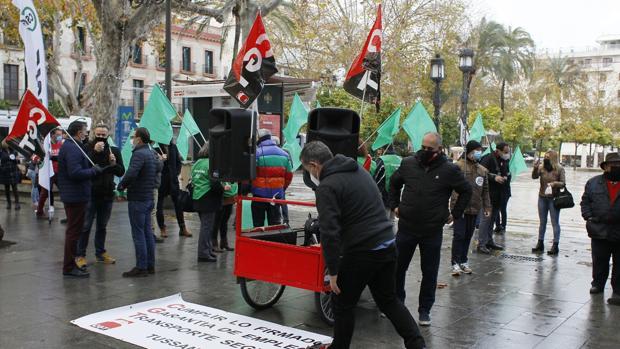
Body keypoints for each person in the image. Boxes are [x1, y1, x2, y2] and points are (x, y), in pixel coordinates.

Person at [301, 141, 426, 349]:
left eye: (307, 170)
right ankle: (417, 344)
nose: (309, 175)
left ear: (314, 165)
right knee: (389, 300)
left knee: (342, 303)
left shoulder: (327, 186)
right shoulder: (357, 169)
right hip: (386, 242)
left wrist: (332, 273)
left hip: (362, 250)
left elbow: (329, 232)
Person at [389, 132, 472, 326]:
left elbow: (466, 190)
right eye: (423, 147)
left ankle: (424, 310)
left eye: (430, 149)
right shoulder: (408, 163)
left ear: (439, 149)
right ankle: (396, 305)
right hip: (407, 227)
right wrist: (394, 205)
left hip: (432, 231)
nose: (425, 152)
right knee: (397, 268)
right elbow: (393, 184)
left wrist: (456, 213)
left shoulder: (449, 170)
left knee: (430, 272)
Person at [56, 121, 101, 278]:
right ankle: (68, 267)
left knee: (74, 231)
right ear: (78, 132)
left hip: (75, 195)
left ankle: (71, 264)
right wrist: (92, 171)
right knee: (74, 232)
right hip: (75, 196)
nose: (87, 134)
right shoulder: (73, 148)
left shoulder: (72, 146)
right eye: (85, 131)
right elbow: (75, 172)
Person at [76, 124, 125, 268]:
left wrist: (114, 163)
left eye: (104, 135)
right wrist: (94, 152)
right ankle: (80, 254)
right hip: (90, 193)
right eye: (98, 134)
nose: (101, 137)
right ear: (93, 134)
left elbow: (121, 171)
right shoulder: (87, 149)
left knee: (102, 226)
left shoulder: (114, 150)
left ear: (108, 135)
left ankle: (100, 252)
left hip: (107, 193)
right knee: (85, 226)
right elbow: (82, 167)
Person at [117, 128, 161, 277]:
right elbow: (158, 168)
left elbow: (131, 172)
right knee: (148, 232)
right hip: (148, 197)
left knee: (139, 233)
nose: (132, 139)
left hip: (138, 198)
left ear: (140, 139)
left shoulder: (139, 154)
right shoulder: (151, 153)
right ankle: (150, 265)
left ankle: (141, 267)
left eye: (133, 137)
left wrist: (121, 185)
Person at [580, 152, 620, 305]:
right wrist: (589, 217)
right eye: (613, 165)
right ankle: (597, 283)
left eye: (619, 165)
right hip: (599, 228)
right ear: (606, 167)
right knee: (599, 260)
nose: (616, 168)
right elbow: (585, 202)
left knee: (619, 263)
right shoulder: (593, 183)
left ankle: (617, 291)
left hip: (618, 229)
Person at [449, 140, 491, 276]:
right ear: (469, 151)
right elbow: (449, 188)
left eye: (480, 150)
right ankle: (455, 263)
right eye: (476, 150)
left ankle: (463, 261)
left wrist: (487, 207)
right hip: (459, 208)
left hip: (474, 208)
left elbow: (485, 191)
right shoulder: (458, 167)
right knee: (459, 235)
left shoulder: (482, 170)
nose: (478, 153)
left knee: (468, 236)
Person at [251, 129, 293, 227]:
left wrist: (252, 187)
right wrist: (281, 188)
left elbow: (250, 174)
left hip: (258, 196)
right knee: (274, 227)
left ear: (259, 138)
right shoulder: (284, 154)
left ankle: (259, 242)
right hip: (276, 197)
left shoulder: (256, 153)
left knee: (258, 226)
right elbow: (289, 176)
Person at [191, 143, 224, 262]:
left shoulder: (197, 163)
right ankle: (203, 253)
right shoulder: (212, 164)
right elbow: (215, 184)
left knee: (206, 226)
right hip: (209, 199)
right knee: (207, 228)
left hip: (197, 198)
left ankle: (208, 250)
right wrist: (223, 189)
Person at [477, 142, 511, 254]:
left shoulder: (504, 160)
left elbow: (506, 171)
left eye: (508, 152)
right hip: (488, 196)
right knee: (485, 220)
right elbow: (481, 173)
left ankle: (489, 241)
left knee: (492, 220)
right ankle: (481, 244)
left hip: (499, 196)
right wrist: (494, 178)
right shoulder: (488, 158)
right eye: (505, 152)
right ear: (498, 150)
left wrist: (506, 176)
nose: (507, 154)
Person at [531, 150, 566, 255]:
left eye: (548, 157)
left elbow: (563, 183)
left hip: (554, 199)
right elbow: (534, 177)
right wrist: (535, 168)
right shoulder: (542, 167)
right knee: (542, 222)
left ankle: (555, 245)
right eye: (545, 157)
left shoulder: (560, 168)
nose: (545, 158)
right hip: (542, 197)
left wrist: (555, 183)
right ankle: (540, 243)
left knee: (555, 222)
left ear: (553, 158)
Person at [156, 141, 191, 239]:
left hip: (173, 181)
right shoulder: (156, 146)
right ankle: (162, 228)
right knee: (159, 205)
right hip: (161, 181)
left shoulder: (173, 146)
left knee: (178, 204)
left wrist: (176, 173)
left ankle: (182, 228)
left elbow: (178, 162)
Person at [36, 128, 63, 217]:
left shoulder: (61, 144)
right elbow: (39, 158)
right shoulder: (46, 145)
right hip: (48, 173)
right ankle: (39, 211)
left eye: (61, 134)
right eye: (58, 135)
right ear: (52, 135)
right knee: (45, 193)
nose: (60, 136)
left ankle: (69, 213)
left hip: (59, 172)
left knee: (65, 191)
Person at [374, 146, 402, 222]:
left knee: (383, 221)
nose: (378, 152)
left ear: (383, 149)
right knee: (392, 221)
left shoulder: (382, 160)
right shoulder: (400, 160)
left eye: (379, 149)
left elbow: (375, 177)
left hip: (383, 195)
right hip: (396, 195)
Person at [213, 180, 237, 252]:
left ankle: (224, 243)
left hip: (229, 197)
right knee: (216, 222)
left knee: (225, 221)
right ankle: (214, 244)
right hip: (221, 197)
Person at [0, 142, 21, 210]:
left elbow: (18, 162)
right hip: (5, 172)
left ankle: (17, 203)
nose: (5, 143)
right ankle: (9, 203)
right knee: (7, 189)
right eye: (4, 142)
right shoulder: (1, 152)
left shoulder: (14, 151)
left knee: (15, 188)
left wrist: (17, 160)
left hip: (13, 171)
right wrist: (2, 169)